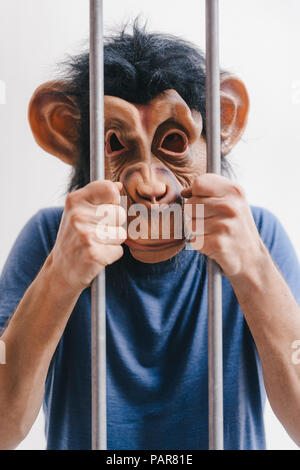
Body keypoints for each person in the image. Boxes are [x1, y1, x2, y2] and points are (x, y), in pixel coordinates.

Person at [0, 22, 300, 450]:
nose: (149, 186)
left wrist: (252, 266)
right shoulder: (50, 237)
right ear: (67, 136)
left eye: (174, 141)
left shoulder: (259, 235)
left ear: (223, 124)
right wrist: (60, 275)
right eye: (116, 145)